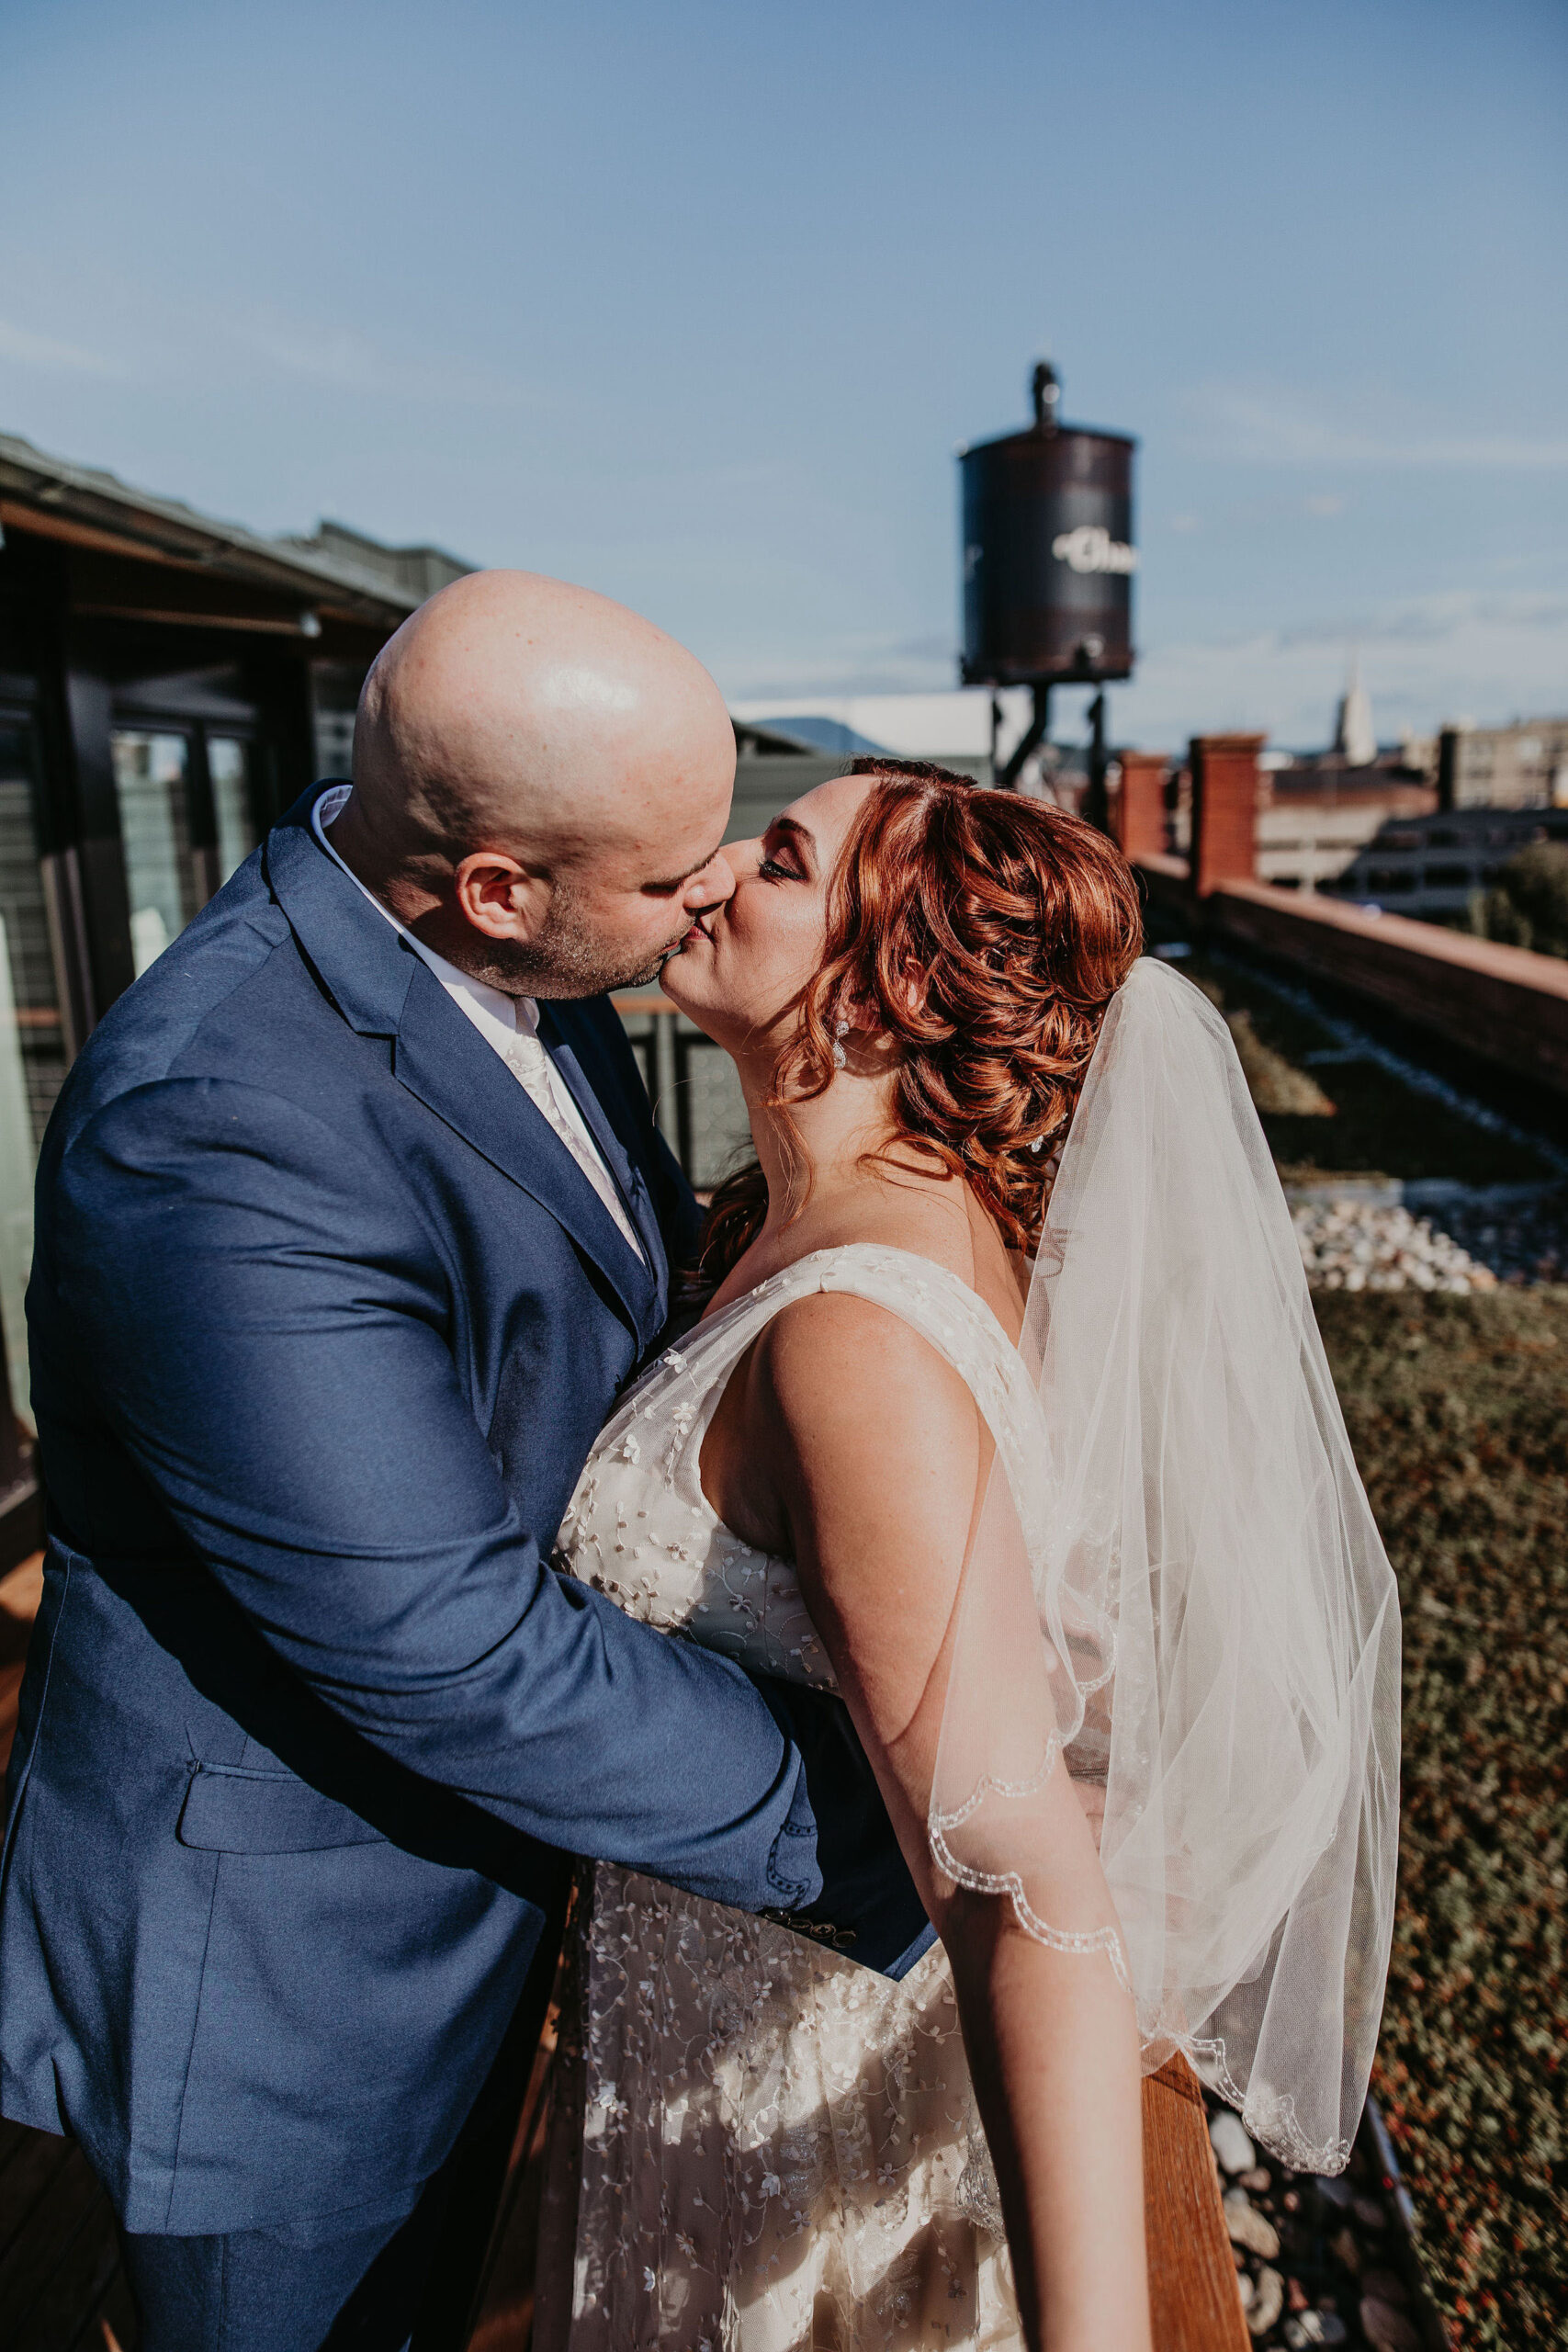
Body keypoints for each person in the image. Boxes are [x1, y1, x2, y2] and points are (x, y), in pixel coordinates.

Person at [0, 575, 926, 2351]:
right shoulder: (219, 1125)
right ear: (496, 884)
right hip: (291, 1994)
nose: (712, 889)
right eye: (671, 881)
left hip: (500, 1898)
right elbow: (452, 1646)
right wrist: (897, 1832)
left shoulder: (532, 953)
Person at [536, 762, 1402, 2352]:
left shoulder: (856, 1340)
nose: (713, 871)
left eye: (782, 860)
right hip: (704, 2020)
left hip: (792, 2103)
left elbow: (1022, 1882)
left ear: (894, 985)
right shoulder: (803, 1228)